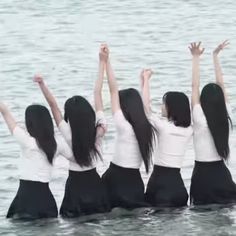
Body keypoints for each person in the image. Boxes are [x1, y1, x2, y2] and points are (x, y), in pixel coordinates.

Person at [34, 45, 110, 217]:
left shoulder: (67, 132)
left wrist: (42, 84)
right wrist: (102, 62)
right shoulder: (99, 129)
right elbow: (97, 93)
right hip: (94, 184)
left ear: (70, 117)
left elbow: (53, 107)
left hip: (75, 186)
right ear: (89, 114)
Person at [101, 45, 156, 209]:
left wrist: (106, 61)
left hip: (115, 180)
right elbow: (145, 104)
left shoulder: (123, 127)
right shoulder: (146, 125)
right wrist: (145, 81)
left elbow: (113, 90)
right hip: (134, 184)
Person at [0, 103, 73, 219]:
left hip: (25, 201)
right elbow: (76, 158)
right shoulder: (57, 144)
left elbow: (5, 112)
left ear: (30, 124)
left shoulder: (26, 142)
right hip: (47, 201)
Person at [189, 41, 236, 205]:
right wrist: (215, 56)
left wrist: (196, 58)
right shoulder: (226, 114)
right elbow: (221, 85)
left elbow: (194, 86)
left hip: (202, 177)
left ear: (203, 100)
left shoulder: (199, 117)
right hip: (222, 175)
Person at [142, 69, 192, 207]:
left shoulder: (164, 127)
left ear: (171, 108)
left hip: (159, 183)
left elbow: (146, 109)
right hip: (178, 186)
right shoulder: (189, 130)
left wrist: (146, 80)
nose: (162, 107)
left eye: (164, 104)